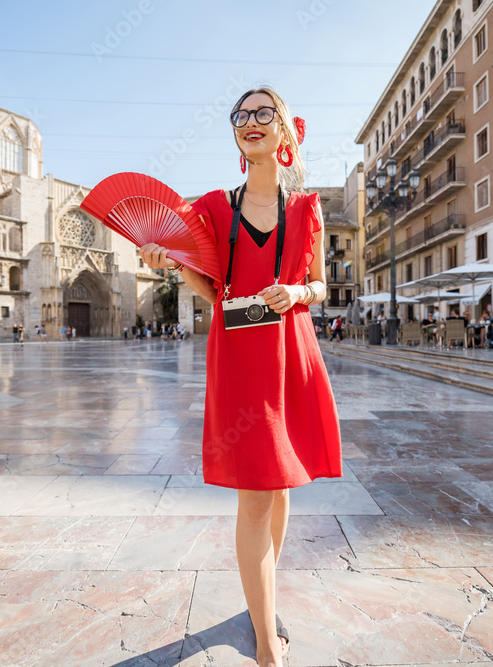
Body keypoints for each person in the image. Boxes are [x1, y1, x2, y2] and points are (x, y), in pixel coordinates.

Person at [138, 86, 340, 666]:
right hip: (238, 355)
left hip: (288, 348)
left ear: (283, 130)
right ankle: (264, 643)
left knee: (277, 486)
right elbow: (211, 288)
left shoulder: (307, 207)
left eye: (263, 114)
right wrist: (173, 265)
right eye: (241, 115)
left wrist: (298, 290)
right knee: (256, 494)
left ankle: (260, 606)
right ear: (235, 132)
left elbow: (322, 283)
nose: (251, 122)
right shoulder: (209, 208)